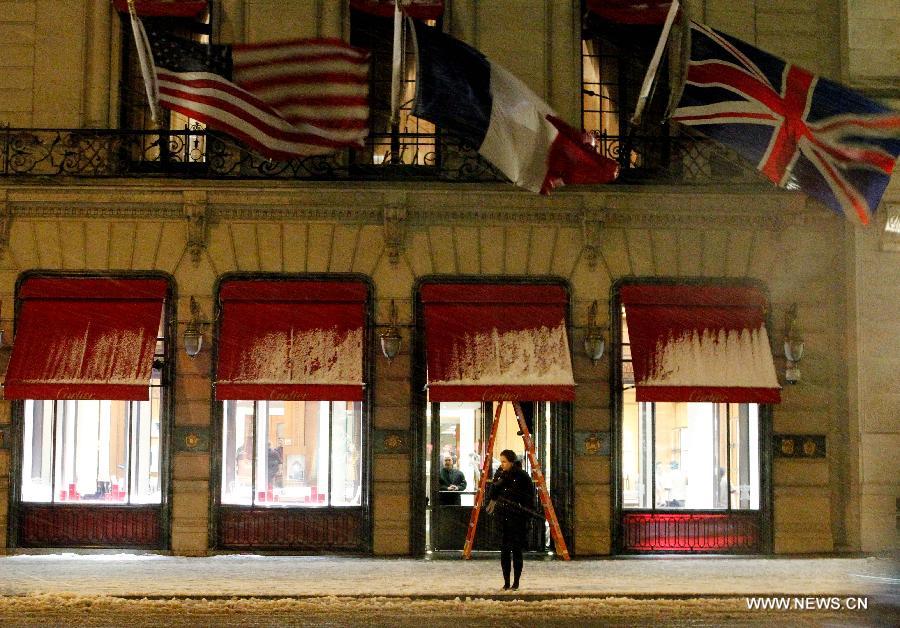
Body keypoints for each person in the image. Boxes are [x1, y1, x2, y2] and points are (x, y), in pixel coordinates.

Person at [488, 449, 535, 590]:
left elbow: (529, 498)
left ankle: (516, 582)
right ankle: (506, 582)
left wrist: (525, 515)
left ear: (511, 462)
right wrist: (497, 480)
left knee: (516, 551)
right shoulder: (501, 474)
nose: (501, 464)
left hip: (517, 519)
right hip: (503, 518)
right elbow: (493, 494)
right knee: (504, 552)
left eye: (504, 462)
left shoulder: (522, 476)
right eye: (501, 461)